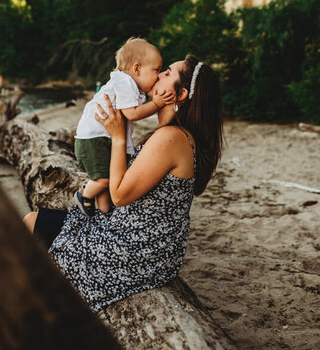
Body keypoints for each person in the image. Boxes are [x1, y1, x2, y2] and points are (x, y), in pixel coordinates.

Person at [23, 55, 223, 311]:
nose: (159, 75)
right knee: (32, 222)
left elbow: (118, 195)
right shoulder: (173, 136)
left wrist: (118, 136)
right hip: (128, 234)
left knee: (29, 242)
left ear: (180, 94)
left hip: (134, 250)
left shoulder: (171, 138)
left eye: (167, 74)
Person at [73, 37, 173, 216]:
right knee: (104, 179)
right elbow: (132, 114)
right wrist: (157, 104)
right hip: (93, 138)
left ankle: (105, 213)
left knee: (105, 181)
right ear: (136, 68)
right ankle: (83, 195)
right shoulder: (124, 82)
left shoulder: (132, 85)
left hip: (99, 137)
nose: (158, 75)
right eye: (156, 70)